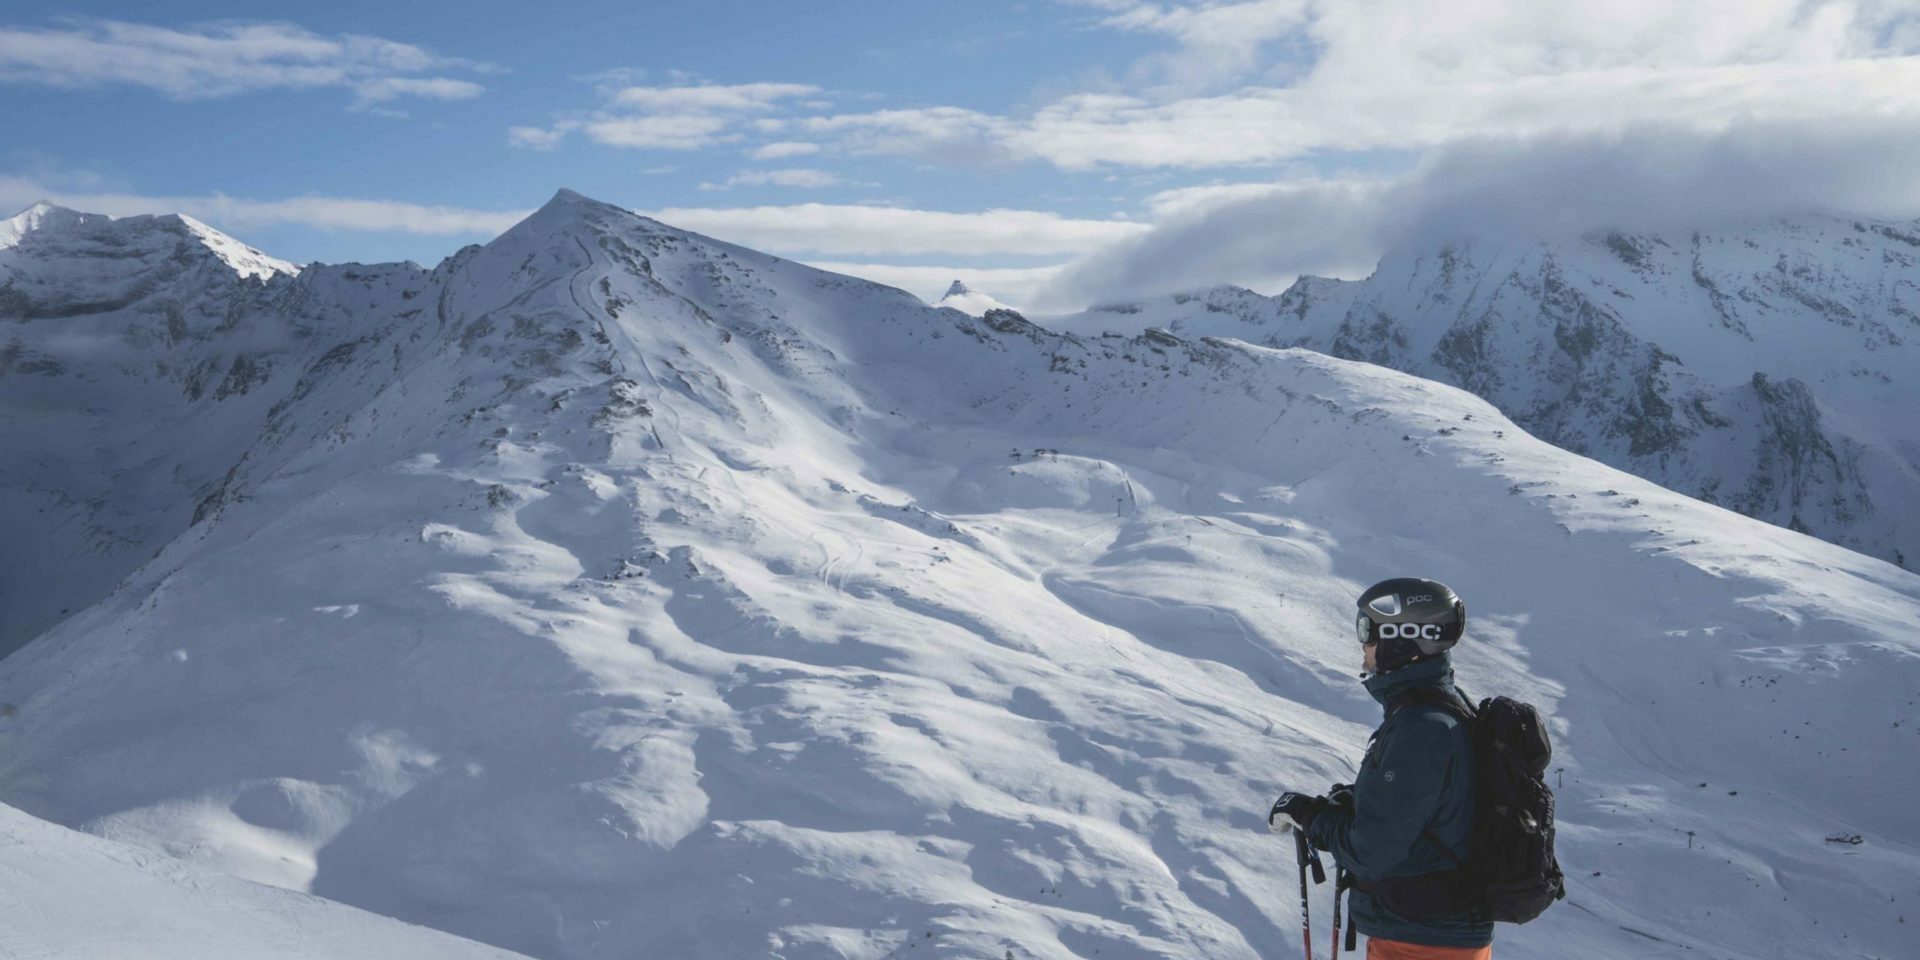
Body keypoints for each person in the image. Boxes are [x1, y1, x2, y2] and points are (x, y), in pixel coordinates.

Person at [1268, 578, 1494, 960]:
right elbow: (1426, 813)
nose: (1363, 644)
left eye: (1368, 631)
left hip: (1421, 941)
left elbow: (1371, 849)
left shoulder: (1422, 728)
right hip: (1427, 930)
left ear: (1403, 638)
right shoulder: (1438, 712)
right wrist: (1358, 802)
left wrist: (1313, 817)